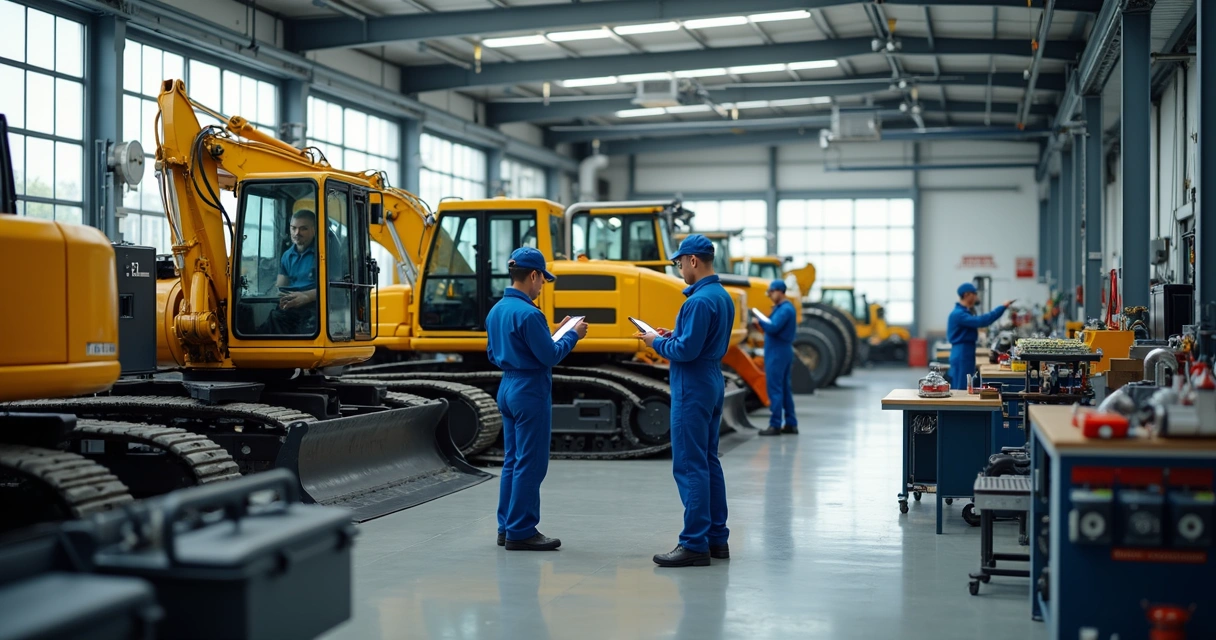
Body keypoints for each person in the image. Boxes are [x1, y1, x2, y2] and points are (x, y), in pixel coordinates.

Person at [641, 234, 733, 567]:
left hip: (692, 385)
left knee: (690, 464)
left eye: (679, 262)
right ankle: (716, 538)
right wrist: (671, 335)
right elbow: (696, 341)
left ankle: (694, 543)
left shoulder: (696, 302)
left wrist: (655, 342)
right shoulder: (721, 296)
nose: (679, 268)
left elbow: (686, 351)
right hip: (712, 380)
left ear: (693, 260)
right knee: (708, 460)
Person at [487, 247, 587, 551]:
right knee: (531, 463)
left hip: (507, 386)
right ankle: (521, 531)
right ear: (533, 275)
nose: (542, 285)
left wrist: (552, 333)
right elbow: (550, 356)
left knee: (513, 460)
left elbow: (493, 353)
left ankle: (506, 527)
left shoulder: (497, 310)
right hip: (530, 390)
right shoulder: (530, 313)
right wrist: (572, 335)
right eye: (543, 279)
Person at [947, 282, 1014, 390]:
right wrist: (1002, 307)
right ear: (966, 295)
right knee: (962, 388)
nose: (976, 297)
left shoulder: (964, 312)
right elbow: (982, 321)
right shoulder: (958, 314)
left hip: (965, 351)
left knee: (966, 385)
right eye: (974, 294)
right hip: (962, 352)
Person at [263, 208, 319, 334]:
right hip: (292, 305)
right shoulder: (287, 256)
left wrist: (306, 296)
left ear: (314, 230)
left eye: (303, 229)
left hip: (315, 306)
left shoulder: (323, 254)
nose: (297, 233)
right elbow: (281, 286)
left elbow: (334, 289)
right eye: (293, 228)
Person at [754, 279, 798, 436]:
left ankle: (775, 424)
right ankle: (791, 423)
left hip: (777, 353)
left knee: (775, 389)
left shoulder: (785, 310)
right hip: (781, 351)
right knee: (784, 389)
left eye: (771, 292)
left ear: (780, 291)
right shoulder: (783, 309)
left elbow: (773, 327)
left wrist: (759, 321)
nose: (770, 296)